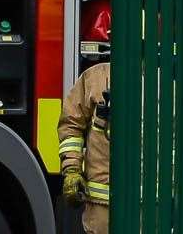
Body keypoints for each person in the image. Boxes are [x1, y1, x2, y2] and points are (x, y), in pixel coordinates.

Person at [59, 60, 111, 234]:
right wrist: (72, 170)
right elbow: (71, 125)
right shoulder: (95, 78)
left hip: (158, 205)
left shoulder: (175, 77)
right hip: (104, 207)